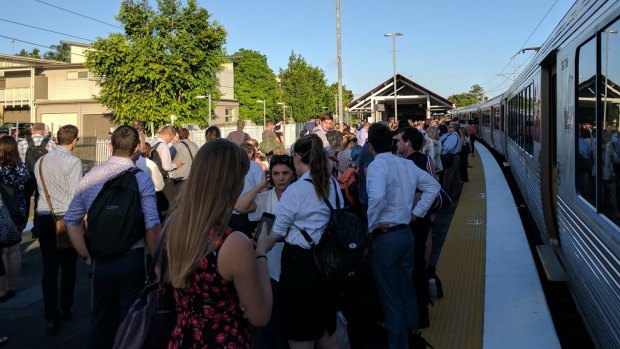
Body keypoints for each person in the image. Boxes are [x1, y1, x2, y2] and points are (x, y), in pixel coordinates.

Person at [166, 139, 276, 348]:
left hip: (184, 338)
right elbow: (260, 315)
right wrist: (261, 252)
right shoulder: (234, 243)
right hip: (224, 340)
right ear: (233, 182)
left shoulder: (173, 225)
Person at [64, 126, 161, 349]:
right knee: (131, 316)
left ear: (110, 146)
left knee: (100, 317)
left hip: (101, 259)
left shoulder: (91, 177)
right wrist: (157, 263)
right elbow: (152, 226)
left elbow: (72, 220)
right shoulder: (141, 179)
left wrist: (86, 255)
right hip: (133, 257)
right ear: (137, 149)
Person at [366, 124, 439, 349]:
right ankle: (413, 335)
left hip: (385, 237)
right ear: (392, 143)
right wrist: (416, 213)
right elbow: (433, 187)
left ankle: (399, 344)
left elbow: (377, 198)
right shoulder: (406, 164)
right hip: (406, 233)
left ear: (370, 146)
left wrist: (370, 226)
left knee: (390, 296)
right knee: (405, 288)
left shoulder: (377, 166)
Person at [271, 134, 344, 349]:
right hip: (328, 263)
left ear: (296, 157)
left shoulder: (295, 190)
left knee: (300, 334)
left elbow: (277, 231)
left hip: (300, 266)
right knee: (326, 329)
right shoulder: (332, 183)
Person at [235, 154, 297, 349]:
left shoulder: (298, 195)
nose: (281, 178)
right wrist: (262, 185)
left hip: (294, 261)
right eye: (276, 174)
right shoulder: (266, 197)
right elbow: (240, 206)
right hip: (271, 265)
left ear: (293, 175)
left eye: (285, 173)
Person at [32, 125, 82, 336]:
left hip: (44, 215)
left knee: (49, 268)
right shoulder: (73, 161)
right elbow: (76, 195)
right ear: (75, 140)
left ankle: (51, 313)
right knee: (69, 266)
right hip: (64, 217)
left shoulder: (41, 161)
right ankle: (66, 306)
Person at [0, 136, 29, 303]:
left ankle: (1, 289)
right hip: (19, 210)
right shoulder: (22, 168)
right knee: (14, 249)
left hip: (2, 211)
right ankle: (12, 287)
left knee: (2, 250)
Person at [18, 122, 55, 234]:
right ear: (44, 131)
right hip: (43, 177)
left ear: (32, 131)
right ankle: (37, 228)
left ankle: (21, 226)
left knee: (25, 201)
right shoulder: (50, 143)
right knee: (41, 201)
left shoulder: (22, 143)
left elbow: (19, 162)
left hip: (27, 177)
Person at [229, 142, 266, 238]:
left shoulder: (229, 166)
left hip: (231, 212)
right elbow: (262, 188)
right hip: (248, 211)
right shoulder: (254, 165)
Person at [149, 126, 183, 220]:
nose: (171, 141)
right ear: (168, 135)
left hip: (155, 177)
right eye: (171, 138)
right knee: (168, 206)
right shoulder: (163, 146)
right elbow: (166, 166)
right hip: (165, 178)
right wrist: (176, 165)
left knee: (158, 204)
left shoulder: (153, 142)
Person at [169, 128, 199, 195]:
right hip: (193, 176)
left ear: (178, 135)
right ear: (188, 135)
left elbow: (168, 160)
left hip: (179, 177)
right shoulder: (195, 145)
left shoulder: (175, 147)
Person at [440, 122, 462, 198]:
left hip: (451, 157)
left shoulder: (453, 137)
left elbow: (448, 148)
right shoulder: (454, 135)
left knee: (447, 176)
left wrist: (442, 151)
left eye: (450, 127)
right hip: (455, 157)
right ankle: (456, 193)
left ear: (454, 128)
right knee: (455, 176)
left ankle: (447, 194)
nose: (448, 128)